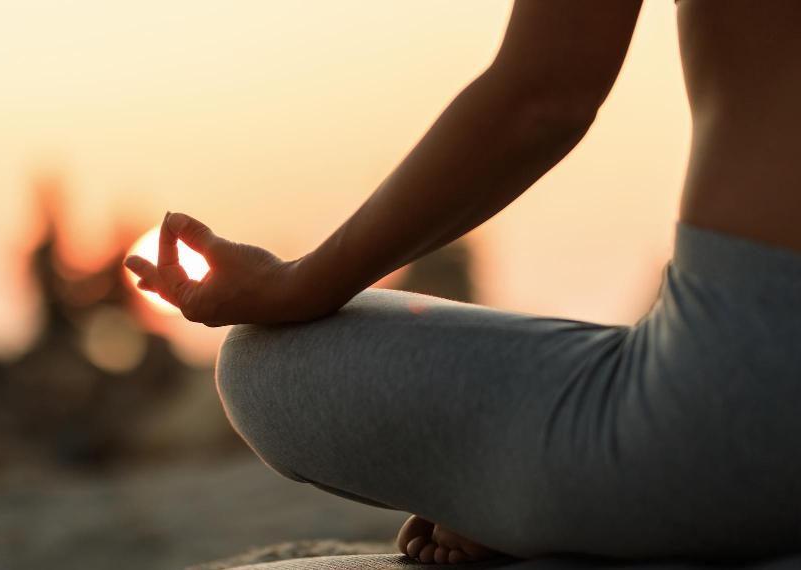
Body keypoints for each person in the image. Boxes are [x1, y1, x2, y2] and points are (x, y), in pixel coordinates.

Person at [125, 0, 801, 564]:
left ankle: (552, 508)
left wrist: (297, 285)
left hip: (751, 405)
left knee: (262, 361)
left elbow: (546, 95)